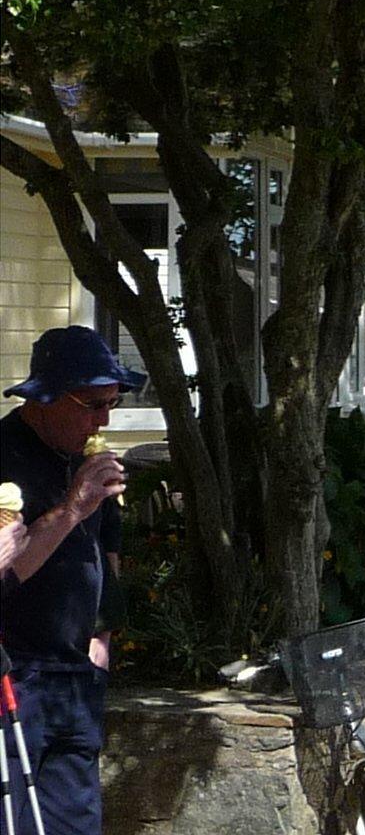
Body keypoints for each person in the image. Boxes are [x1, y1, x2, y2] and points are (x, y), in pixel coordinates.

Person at [0, 327, 141, 835]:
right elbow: (9, 570)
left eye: (114, 403)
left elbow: (107, 551)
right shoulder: (5, 456)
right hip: (17, 672)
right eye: (93, 404)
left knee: (75, 821)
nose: (104, 419)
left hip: (77, 676)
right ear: (46, 398)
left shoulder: (86, 456)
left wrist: (103, 635)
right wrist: (74, 506)